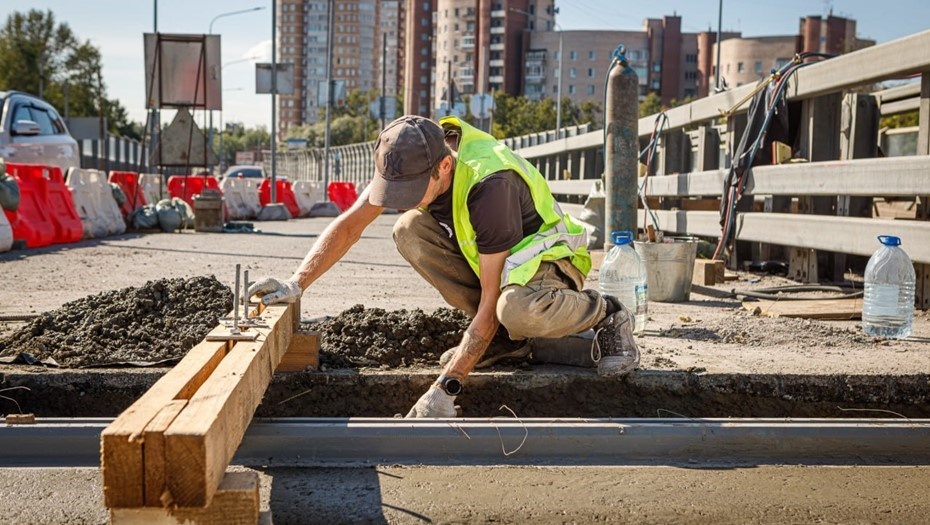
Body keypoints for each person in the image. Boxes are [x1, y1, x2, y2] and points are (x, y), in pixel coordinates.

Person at [248, 115, 639, 418]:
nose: (402, 200)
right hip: (496, 263)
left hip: (546, 263)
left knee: (511, 309)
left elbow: (490, 302)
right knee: (409, 229)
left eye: (411, 191)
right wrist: (296, 283)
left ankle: (606, 312)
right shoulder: (408, 158)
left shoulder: (490, 186)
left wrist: (447, 386)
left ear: (444, 168)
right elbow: (350, 223)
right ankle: (509, 343)